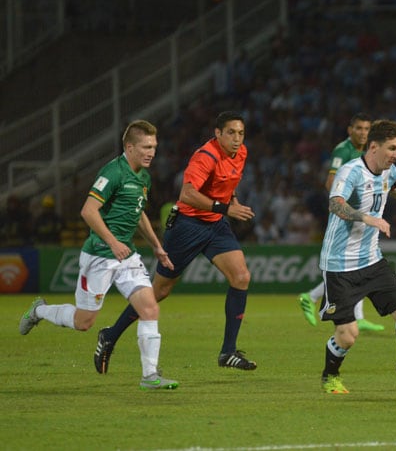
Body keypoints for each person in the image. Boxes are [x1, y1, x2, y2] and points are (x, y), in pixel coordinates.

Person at [94, 111, 258, 373]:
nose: (237, 138)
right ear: (218, 134)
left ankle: (228, 351)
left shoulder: (241, 153)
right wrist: (226, 209)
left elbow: (228, 181)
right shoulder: (205, 156)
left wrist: (233, 200)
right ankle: (110, 336)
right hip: (187, 226)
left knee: (241, 277)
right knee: (159, 292)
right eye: (231, 133)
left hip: (215, 224)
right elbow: (188, 194)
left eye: (241, 133)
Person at [19, 119, 178, 390]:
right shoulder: (113, 172)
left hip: (126, 257)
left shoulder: (144, 177)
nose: (151, 152)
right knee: (84, 322)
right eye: (146, 147)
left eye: (154, 146)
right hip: (100, 256)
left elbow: (137, 212)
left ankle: (150, 376)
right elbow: (88, 211)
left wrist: (155, 245)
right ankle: (40, 310)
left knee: (150, 308)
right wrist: (113, 242)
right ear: (129, 147)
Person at [318, 119, 396, 394]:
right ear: (373, 147)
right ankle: (330, 376)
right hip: (340, 266)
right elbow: (335, 204)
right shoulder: (350, 172)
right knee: (348, 336)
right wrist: (369, 219)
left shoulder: (389, 170)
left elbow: (394, 184)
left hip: (372, 261)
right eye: (392, 148)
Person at [297, 113, 386, 332]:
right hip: (346, 216)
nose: (363, 133)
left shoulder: (367, 150)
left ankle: (358, 316)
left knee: (361, 260)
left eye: (367, 129)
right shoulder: (342, 150)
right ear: (350, 130)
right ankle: (311, 296)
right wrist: (345, 206)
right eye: (359, 128)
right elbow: (330, 182)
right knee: (348, 265)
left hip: (360, 215)